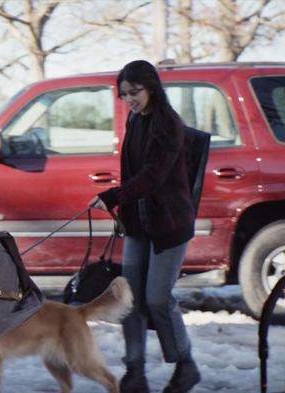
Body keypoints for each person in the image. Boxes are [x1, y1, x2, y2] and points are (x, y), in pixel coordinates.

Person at [90, 60, 201, 393]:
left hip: (169, 224)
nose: (129, 100)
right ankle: (134, 372)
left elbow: (153, 177)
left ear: (152, 87)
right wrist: (123, 211)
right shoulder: (136, 119)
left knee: (156, 298)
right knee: (131, 298)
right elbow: (133, 173)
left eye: (134, 92)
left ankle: (186, 365)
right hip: (140, 222)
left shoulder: (168, 124)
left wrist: (112, 196)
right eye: (124, 94)